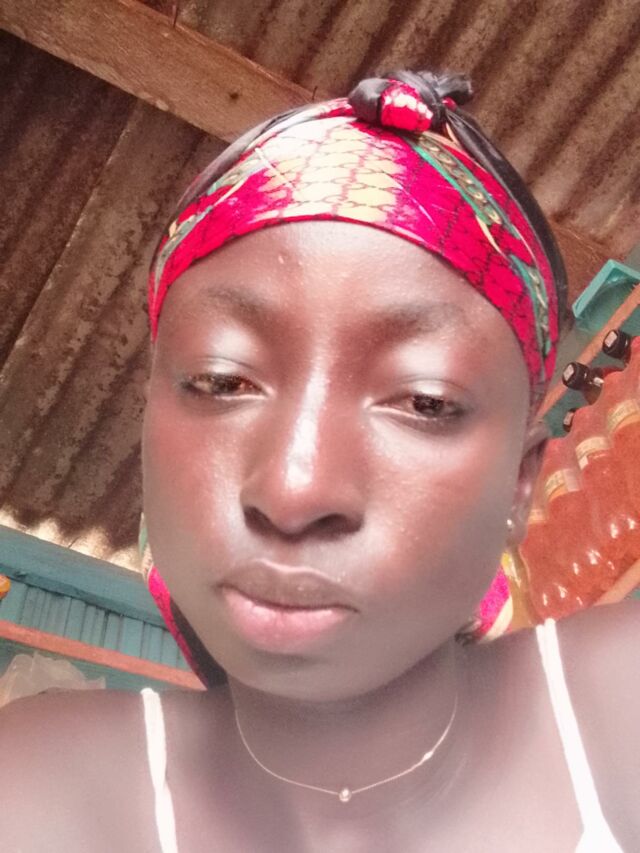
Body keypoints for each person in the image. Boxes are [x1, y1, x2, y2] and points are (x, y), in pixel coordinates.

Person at [0, 69, 638, 852]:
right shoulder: (42, 787)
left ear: (521, 481)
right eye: (221, 381)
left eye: (424, 400)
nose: (293, 489)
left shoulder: (617, 714)